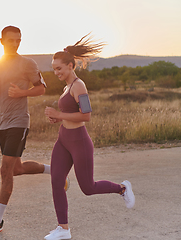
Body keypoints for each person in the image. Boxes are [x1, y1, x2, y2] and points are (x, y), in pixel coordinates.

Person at [0, 25, 69, 236]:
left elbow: (41, 88)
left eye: (18, 40)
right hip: (1, 123)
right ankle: (55, 171)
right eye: (11, 40)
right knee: (16, 169)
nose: (15, 43)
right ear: (1, 41)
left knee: (5, 170)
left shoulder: (27, 63)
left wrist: (21, 93)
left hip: (19, 122)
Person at [43, 34, 135, 240]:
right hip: (63, 139)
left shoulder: (78, 86)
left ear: (70, 65)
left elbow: (87, 116)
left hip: (79, 142)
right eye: (53, 68)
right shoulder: (66, 87)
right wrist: (58, 119)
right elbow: (70, 114)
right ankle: (63, 229)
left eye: (59, 68)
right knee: (56, 181)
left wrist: (58, 114)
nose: (55, 72)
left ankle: (121, 188)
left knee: (88, 187)